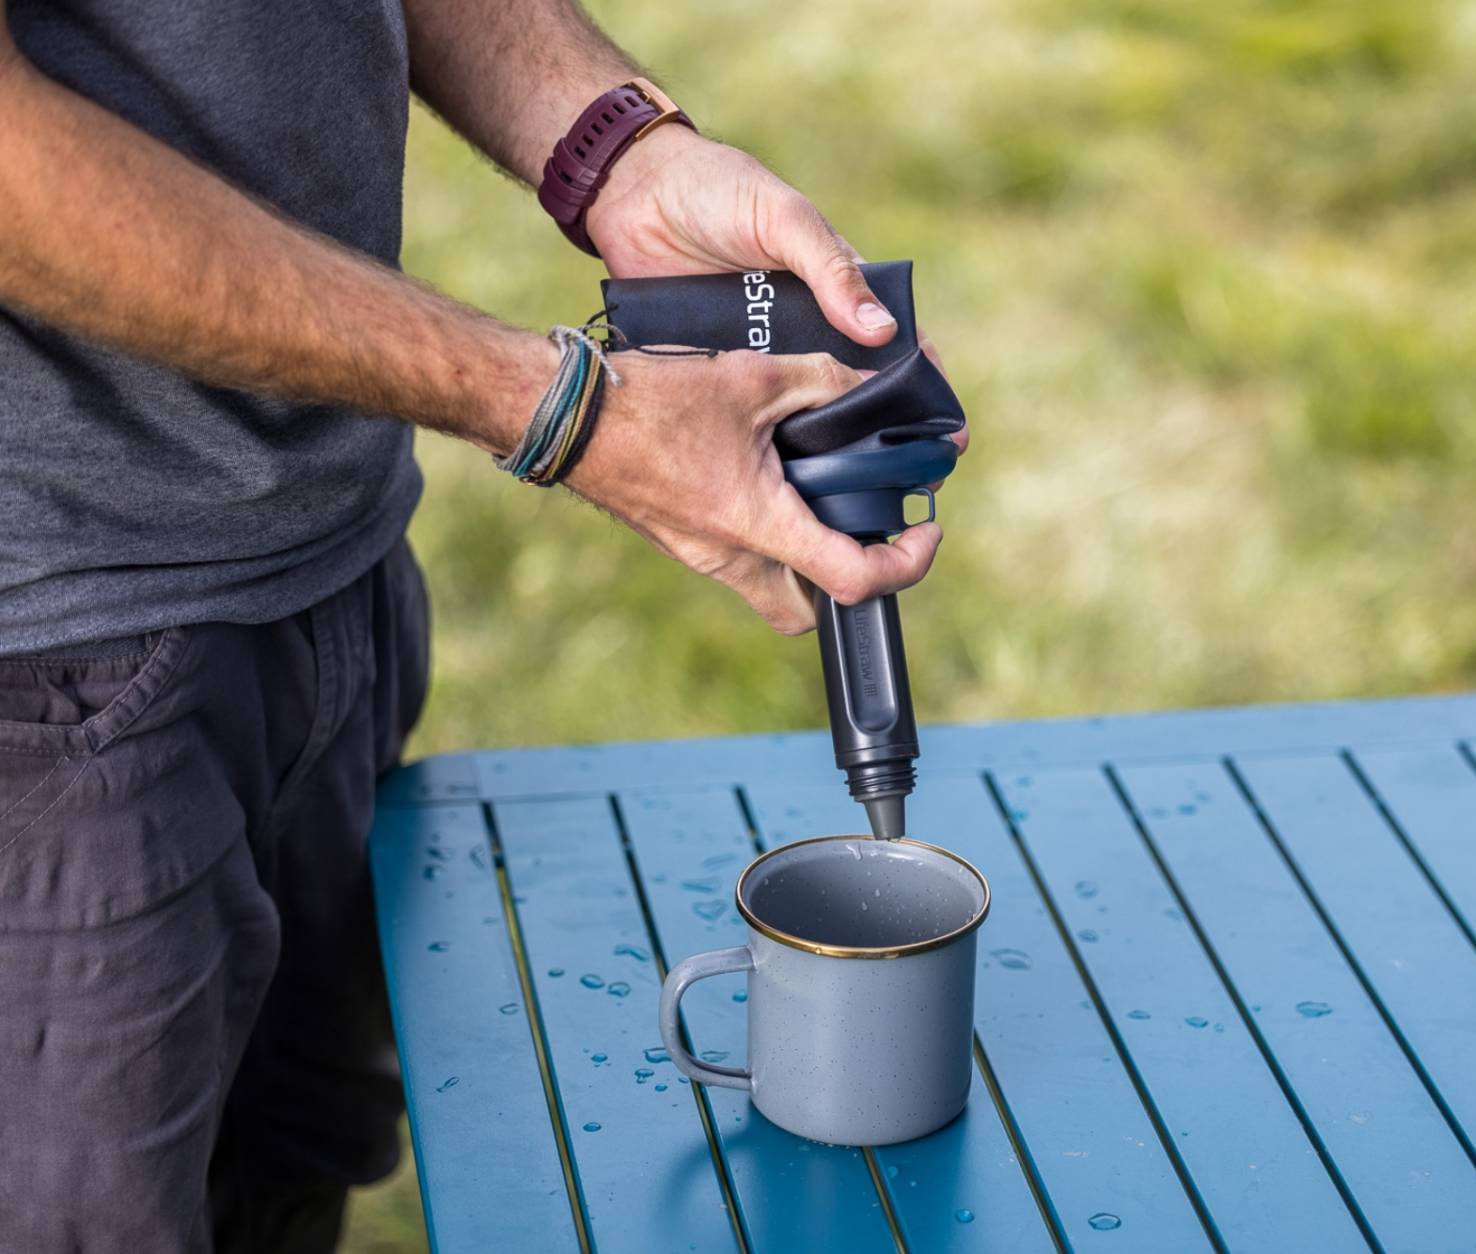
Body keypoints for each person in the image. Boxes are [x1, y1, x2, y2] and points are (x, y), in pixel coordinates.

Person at [0, 1, 962, 1250]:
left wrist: (616, 149)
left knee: (289, 1177)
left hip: (330, 566)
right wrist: (559, 408)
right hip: (48, 674)